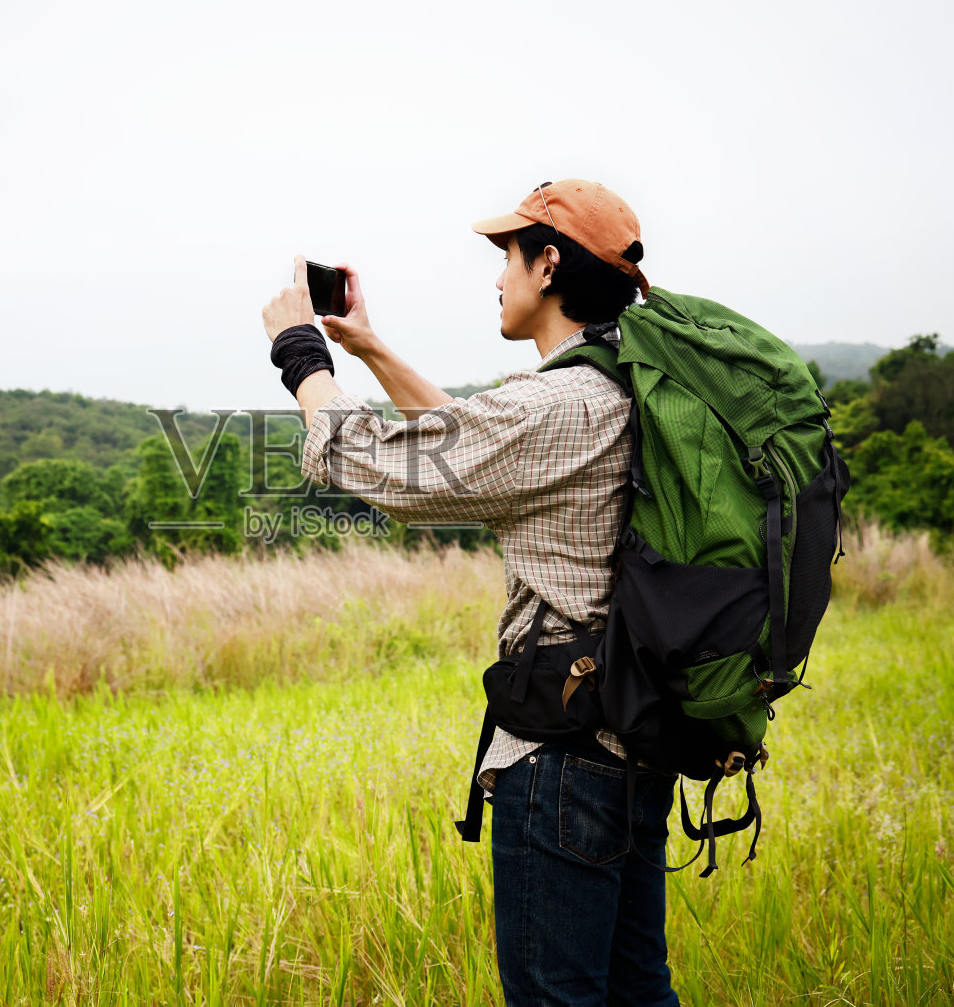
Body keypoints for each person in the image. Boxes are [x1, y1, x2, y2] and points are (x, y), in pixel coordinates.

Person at [259, 179, 680, 1005]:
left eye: (509, 258)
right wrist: (371, 348)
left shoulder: (555, 402)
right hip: (634, 742)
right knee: (639, 993)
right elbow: (479, 447)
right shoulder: (623, 388)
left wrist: (300, 354)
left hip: (562, 757)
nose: (498, 277)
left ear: (548, 265)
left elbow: (382, 465)